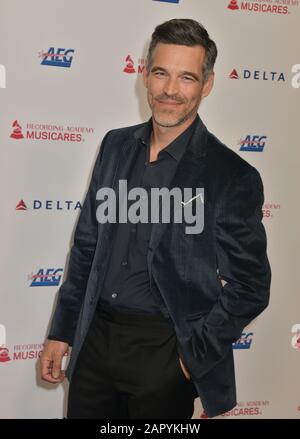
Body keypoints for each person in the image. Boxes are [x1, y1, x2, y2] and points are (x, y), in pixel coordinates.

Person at [40, 18, 271, 418]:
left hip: (165, 352)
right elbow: (86, 247)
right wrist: (62, 331)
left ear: (207, 85)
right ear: (144, 74)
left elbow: (251, 285)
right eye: (161, 73)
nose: (170, 90)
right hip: (95, 342)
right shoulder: (115, 146)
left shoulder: (231, 176)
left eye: (187, 78)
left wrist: (187, 362)